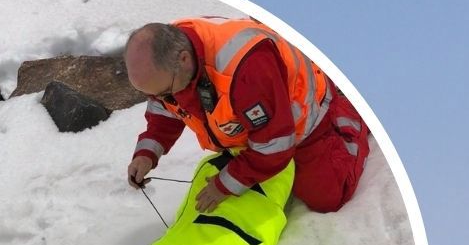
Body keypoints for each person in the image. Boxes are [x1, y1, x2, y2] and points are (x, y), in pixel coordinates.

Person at [123, 17, 371, 214]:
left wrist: (225, 185)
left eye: (165, 91)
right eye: (154, 94)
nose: (164, 99)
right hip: (260, 122)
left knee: (327, 197)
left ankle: (351, 108)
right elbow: (163, 110)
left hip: (307, 118)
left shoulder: (245, 69)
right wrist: (147, 154)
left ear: (184, 59)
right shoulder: (170, 60)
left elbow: (275, 145)